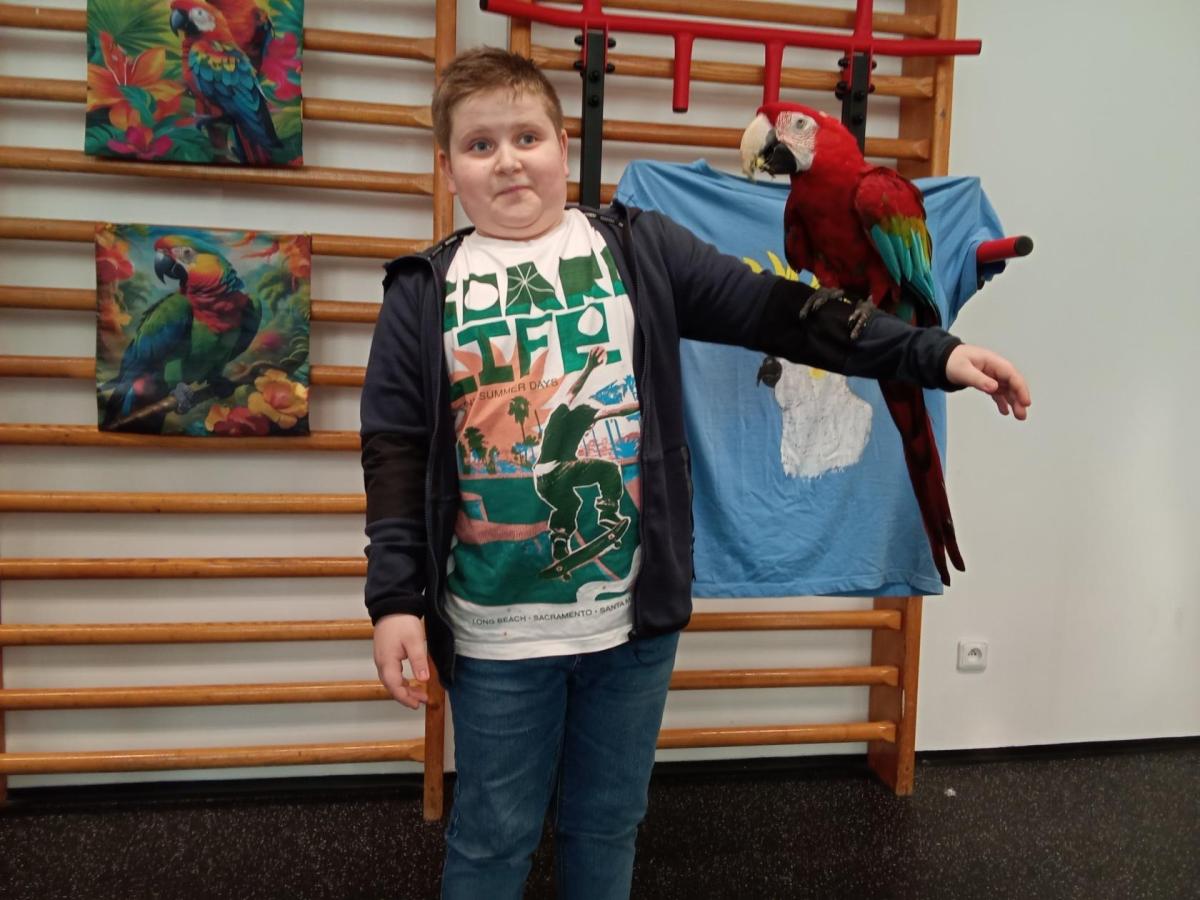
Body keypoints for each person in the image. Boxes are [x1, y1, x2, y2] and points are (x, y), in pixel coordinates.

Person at [360, 46, 1031, 900]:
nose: (508, 161)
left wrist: (932, 352)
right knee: (492, 841)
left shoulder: (637, 248)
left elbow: (784, 313)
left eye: (526, 137)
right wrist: (395, 600)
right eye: (479, 145)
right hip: (497, 636)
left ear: (563, 144)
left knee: (608, 826)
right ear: (447, 164)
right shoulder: (423, 291)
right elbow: (394, 450)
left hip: (630, 629)